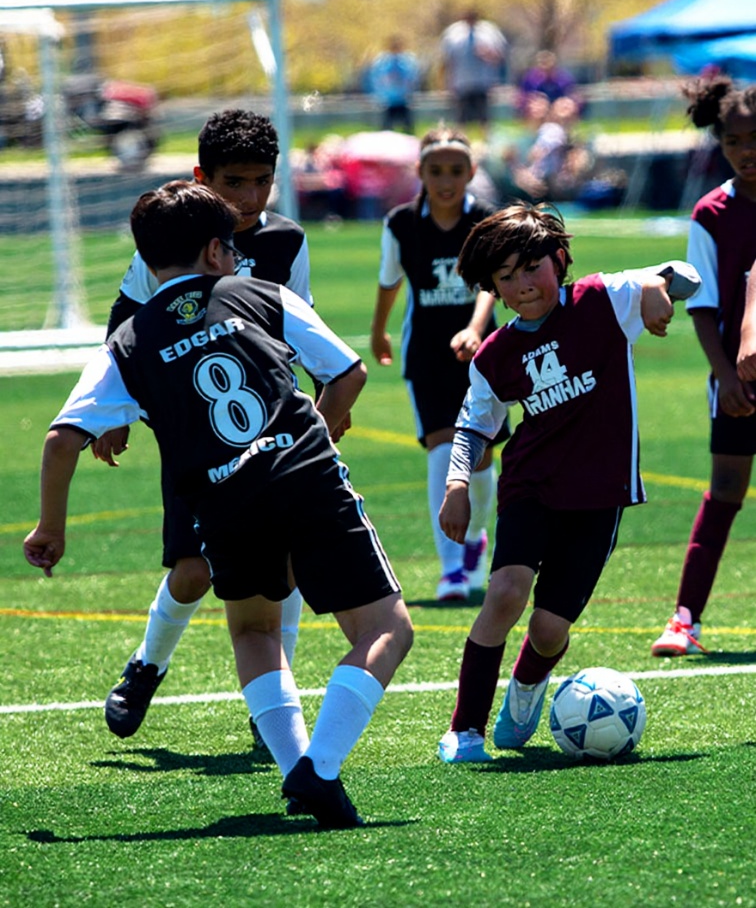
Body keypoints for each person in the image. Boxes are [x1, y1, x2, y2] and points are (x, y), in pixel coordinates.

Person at [23, 180, 414, 828]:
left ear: (149, 264)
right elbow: (348, 374)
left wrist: (52, 527)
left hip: (225, 501)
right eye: (231, 249)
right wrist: (314, 431)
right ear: (215, 252)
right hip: (307, 478)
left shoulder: (130, 340)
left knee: (256, 631)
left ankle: (299, 772)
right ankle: (320, 767)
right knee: (385, 631)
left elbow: (62, 439)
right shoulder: (261, 294)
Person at [434, 202, 700, 762]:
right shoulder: (495, 355)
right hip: (531, 486)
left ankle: (527, 685)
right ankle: (464, 731)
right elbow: (473, 426)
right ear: (494, 291)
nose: (523, 285)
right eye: (506, 278)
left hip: (600, 493)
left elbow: (687, 274)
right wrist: (458, 483)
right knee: (505, 594)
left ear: (559, 260)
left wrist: (659, 287)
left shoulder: (603, 299)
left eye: (532, 268)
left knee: (550, 627)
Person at [95, 110, 326, 747]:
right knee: (195, 571)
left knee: (284, 568)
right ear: (202, 177)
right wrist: (113, 418)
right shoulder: (173, 240)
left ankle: (271, 705)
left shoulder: (288, 243)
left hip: (274, 433)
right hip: (198, 436)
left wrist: (322, 414)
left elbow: (300, 334)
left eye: (262, 182)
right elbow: (124, 330)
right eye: (233, 183)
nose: (249, 198)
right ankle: (147, 666)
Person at [370, 127, 506, 602]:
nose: (445, 180)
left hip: (483, 355)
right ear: (420, 173)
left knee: (483, 459)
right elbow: (390, 281)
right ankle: (451, 565)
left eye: (455, 170)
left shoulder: (487, 222)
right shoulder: (400, 223)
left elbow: (492, 283)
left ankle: (475, 543)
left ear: (471, 172)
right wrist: (378, 330)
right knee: (442, 451)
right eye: (435, 170)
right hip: (426, 353)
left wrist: (475, 328)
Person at [651, 76, 756, 658]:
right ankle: (685, 618)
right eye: (736, 140)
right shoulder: (711, 213)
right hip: (739, 380)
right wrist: (724, 376)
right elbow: (705, 306)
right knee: (723, 493)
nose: (748, 150)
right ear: (720, 144)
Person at [439, 9, 507, 135]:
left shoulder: (489, 32)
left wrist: (488, 53)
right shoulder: (453, 33)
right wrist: (446, 84)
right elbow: (447, 61)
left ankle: (488, 145)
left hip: (482, 82)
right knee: (461, 119)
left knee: (484, 118)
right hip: (462, 82)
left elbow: (500, 58)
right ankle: (460, 144)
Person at [366, 35, 420, 134]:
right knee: (387, 129)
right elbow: (377, 79)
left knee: (408, 128)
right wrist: (380, 94)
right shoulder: (383, 62)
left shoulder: (406, 61)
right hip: (389, 100)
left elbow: (412, 78)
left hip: (403, 100)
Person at [516, 50, 579, 118]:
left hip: (558, 106)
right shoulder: (530, 79)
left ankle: (563, 128)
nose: (546, 66)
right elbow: (523, 97)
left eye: (548, 62)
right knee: (536, 108)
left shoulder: (564, 79)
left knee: (565, 107)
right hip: (539, 106)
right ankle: (535, 128)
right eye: (543, 62)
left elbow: (572, 95)